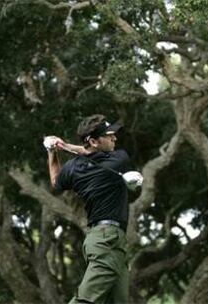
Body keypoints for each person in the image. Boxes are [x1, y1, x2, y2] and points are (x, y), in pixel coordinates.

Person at [46, 114, 130, 304]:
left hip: (105, 241)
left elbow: (55, 181)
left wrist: (54, 151)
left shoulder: (73, 169)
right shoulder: (118, 160)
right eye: (109, 136)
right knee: (86, 301)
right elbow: (88, 153)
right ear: (93, 141)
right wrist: (65, 146)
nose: (114, 138)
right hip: (107, 240)